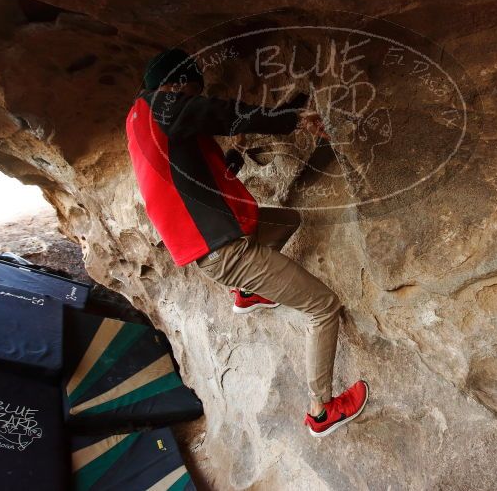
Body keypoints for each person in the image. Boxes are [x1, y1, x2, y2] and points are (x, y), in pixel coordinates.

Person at [125, 48, 368, 437]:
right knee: (323, 306)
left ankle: (247, 293)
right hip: (223, 250)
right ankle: (321, 410)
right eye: (193, 90)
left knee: (287, 221)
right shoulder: (165, 104)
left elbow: (185, 172)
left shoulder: (140, 118)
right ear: (177, 85)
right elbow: (221, 113)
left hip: (211, 240)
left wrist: (232, 163)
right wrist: (294, 119)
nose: (194, 98)